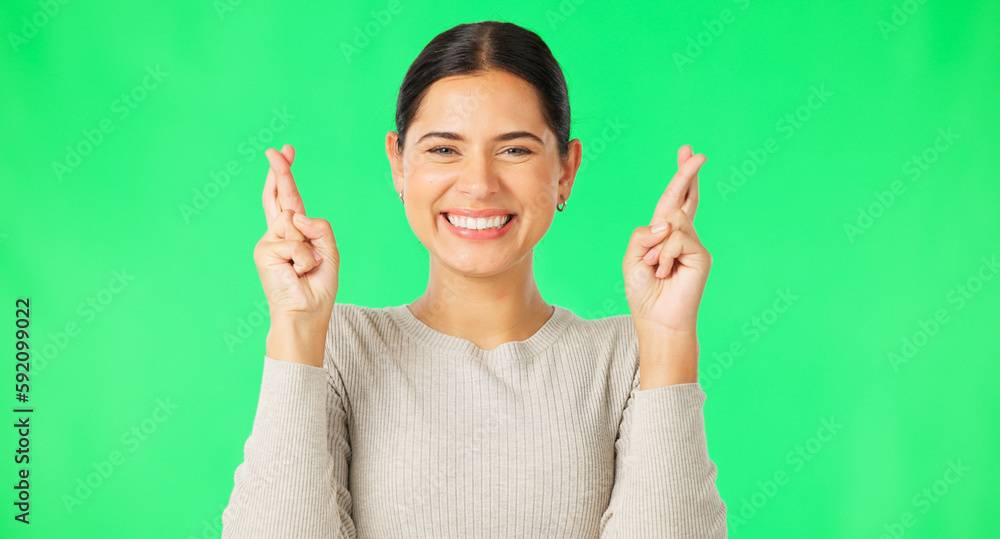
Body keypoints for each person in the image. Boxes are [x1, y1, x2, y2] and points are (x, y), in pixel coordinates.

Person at [222, 20, 726, 538]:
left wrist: (668, 341)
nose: (479, 184)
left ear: (565, 170)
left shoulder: (627, 358)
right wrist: (297, 330)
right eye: (444, 149)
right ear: (398, 164)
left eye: (515, 149)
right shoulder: (339, 347)